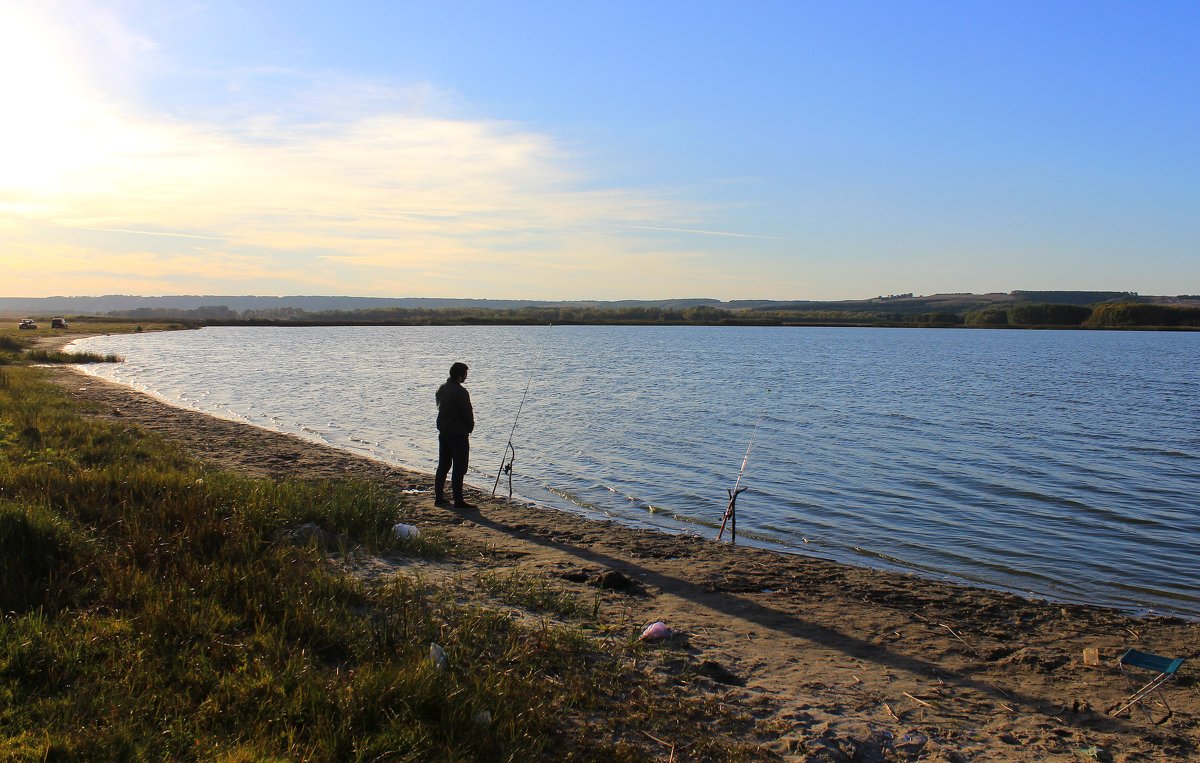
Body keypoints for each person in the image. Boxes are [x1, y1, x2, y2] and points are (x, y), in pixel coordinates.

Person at [434, 361, 476, 508]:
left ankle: (439, 498)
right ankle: (458, 500)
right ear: (460, 375)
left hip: (444, 433)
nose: (466, 377)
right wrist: (469, 427)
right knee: (459, 467)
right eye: (465, 374)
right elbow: (467, 413)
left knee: (443, 466)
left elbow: (440, 407)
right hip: (458, 435)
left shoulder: (442, 388)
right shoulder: (461, 392)